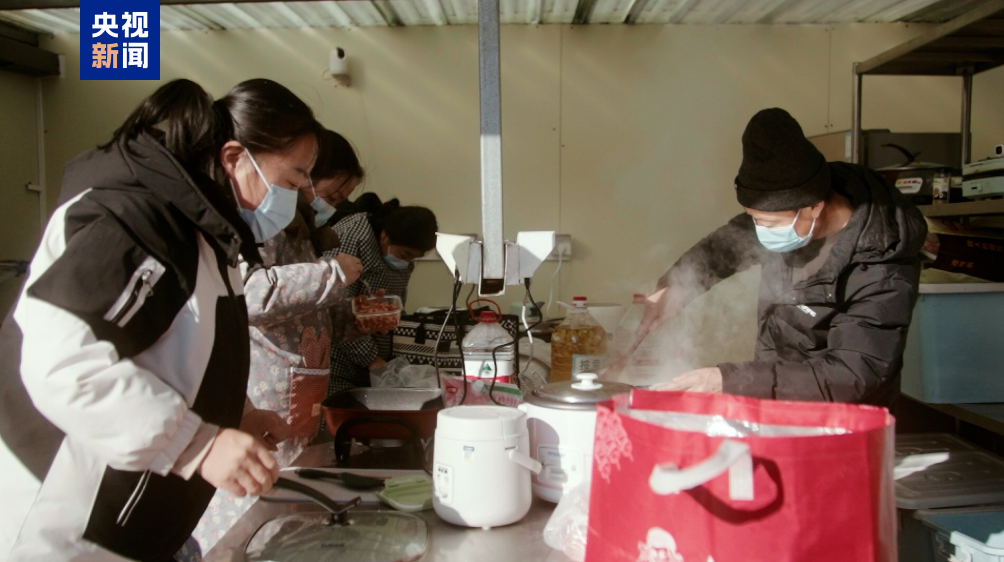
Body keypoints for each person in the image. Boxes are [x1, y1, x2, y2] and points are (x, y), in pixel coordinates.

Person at [0, 78, 318, 561]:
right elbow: (63, 364)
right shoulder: (136, 221)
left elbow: (178, 355)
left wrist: (237, 414)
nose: (296, 200)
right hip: (70, 521)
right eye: (291, 182)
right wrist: (197, 443)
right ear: (234, 158)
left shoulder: (210, 237)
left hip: (138, 519)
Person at [638, 108, 927, 408]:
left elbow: (853, 375)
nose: (759, 231)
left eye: (768, 223)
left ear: (814, 207)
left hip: (844, 420)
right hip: (778, 405)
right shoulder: (789, 212)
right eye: (754, 219)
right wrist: (677, 286)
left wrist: (729, 380)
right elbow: (723, 248)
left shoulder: (882, 261)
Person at [193, 128, 368, 550]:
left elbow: (308, 318)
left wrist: (354, 319)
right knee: (246, 520)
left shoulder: (303, 235)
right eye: (330, 192)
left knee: (285, 518)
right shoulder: (259, 228)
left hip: (299, 410)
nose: (330, 204)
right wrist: (330, 275)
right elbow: (249, 296)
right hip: (261, 404)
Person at [327, 194, 438, 393]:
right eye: (405, 255)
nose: (406, 262)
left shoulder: (402, 258)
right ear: (385, 236)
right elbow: (334, 310)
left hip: (374, 359)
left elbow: (394, 307)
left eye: (413, 259)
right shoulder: (353, 237)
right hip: (337, 358)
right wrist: (370, 359)